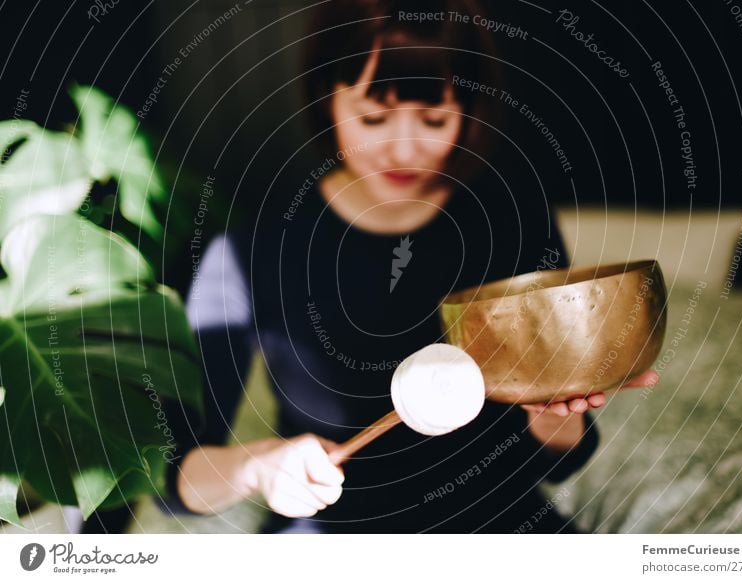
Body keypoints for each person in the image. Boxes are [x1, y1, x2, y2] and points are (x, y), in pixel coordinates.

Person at [159, 0, 658, 533]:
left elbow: (561, 462)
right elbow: (175, 482)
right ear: (327, 97)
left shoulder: (511, 222)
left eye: (433, 118)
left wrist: (552, 410)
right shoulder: (251, 250)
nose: (403, 148)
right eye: (373, 117)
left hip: (498, 520)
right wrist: (255, 467)